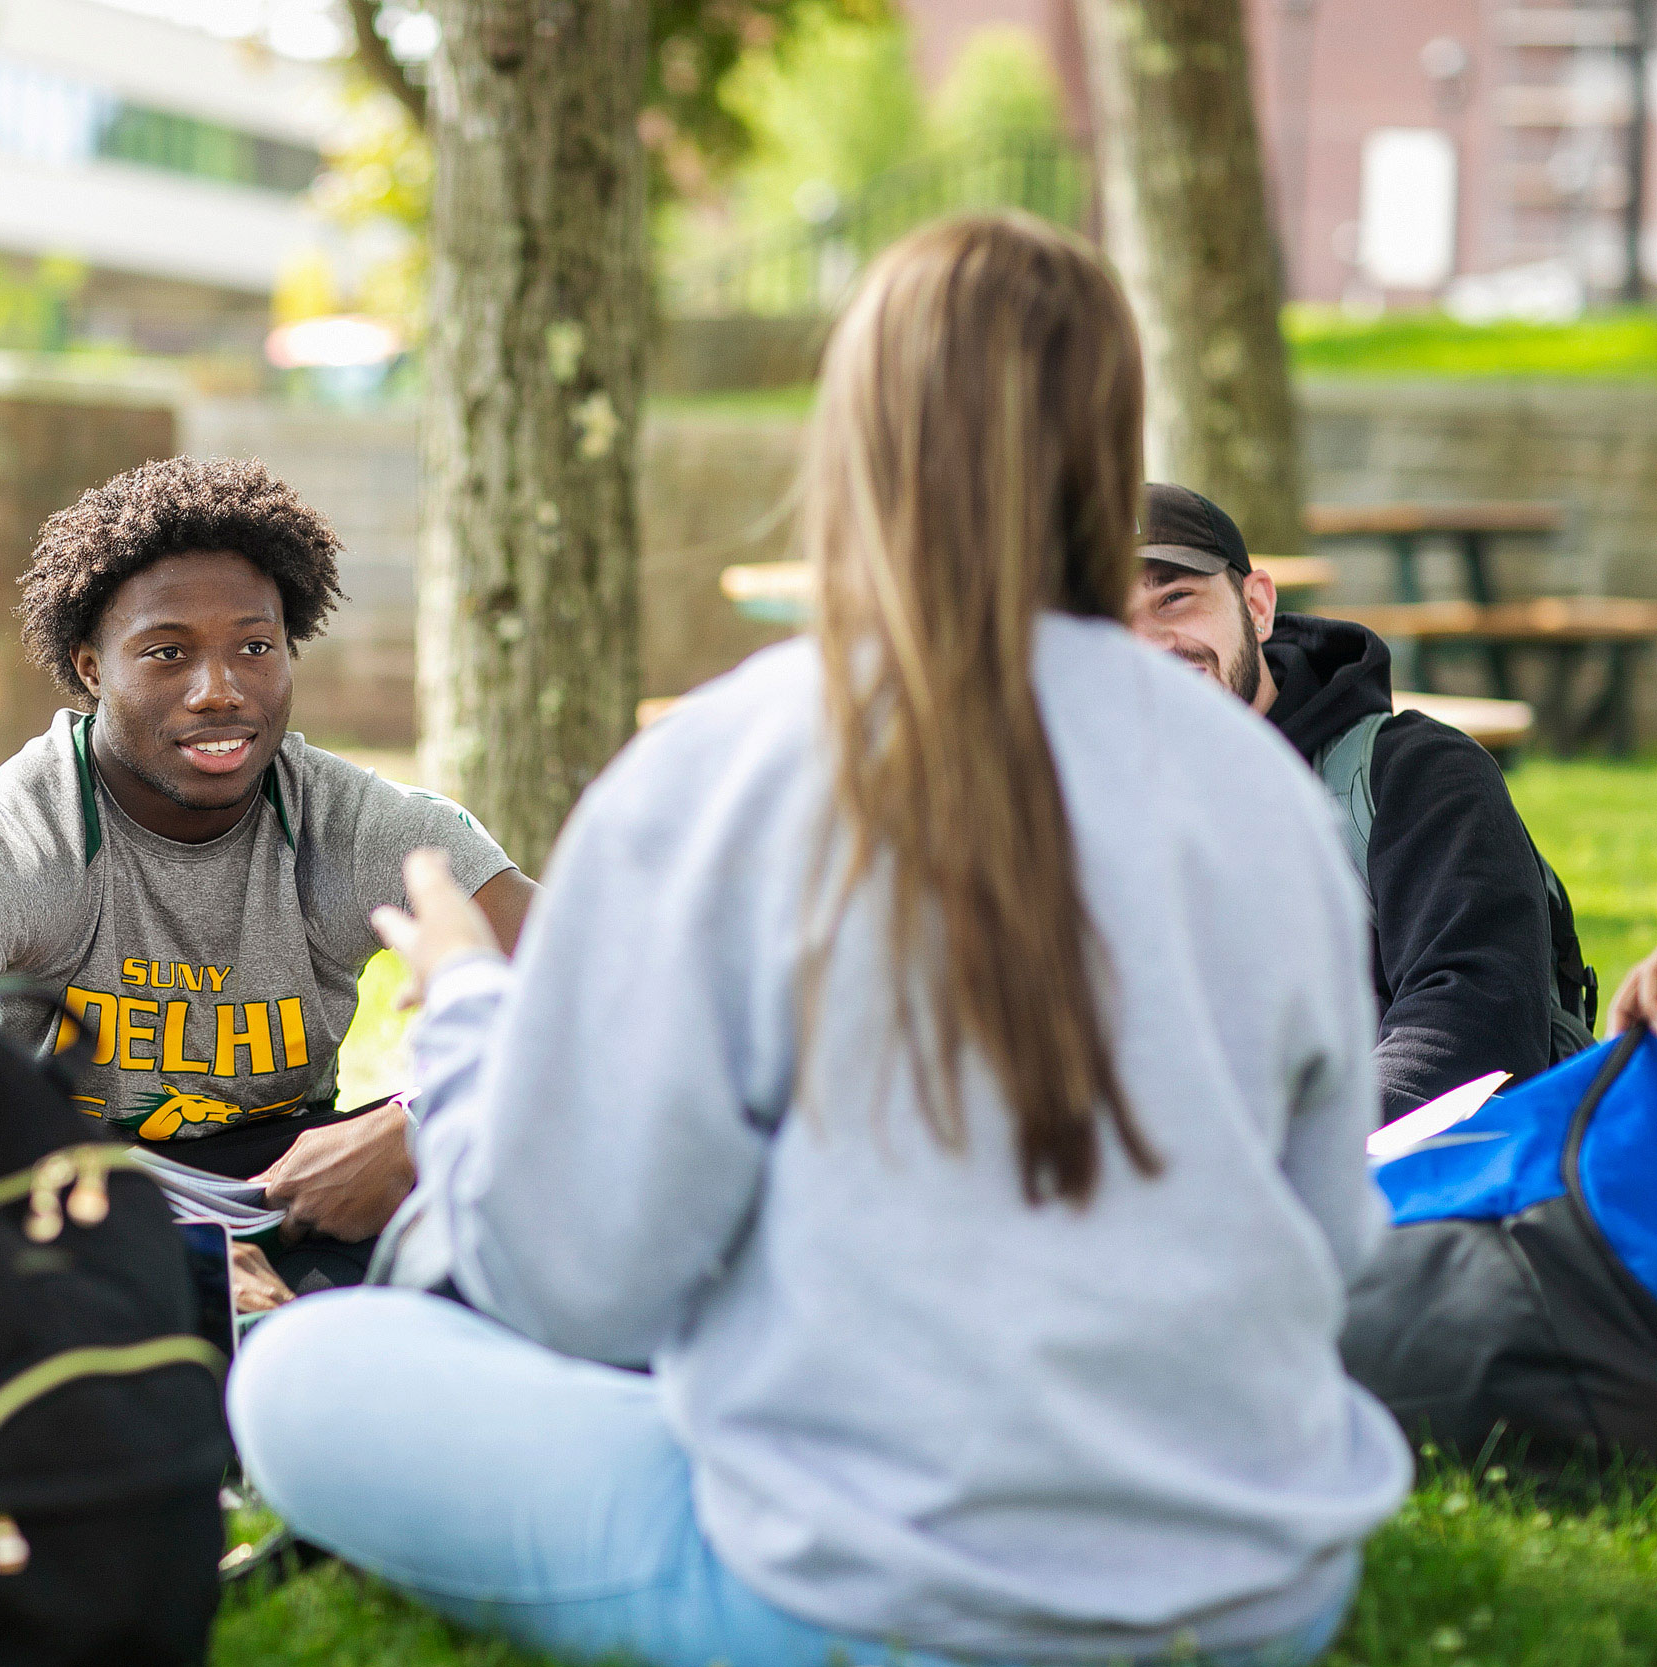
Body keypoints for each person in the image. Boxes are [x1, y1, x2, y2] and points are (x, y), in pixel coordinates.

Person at [226, 212, 1410, 1667]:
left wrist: (471, 1007)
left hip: (872, 1597)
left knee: (306, 1371)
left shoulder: (730, 762)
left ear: (854, 440)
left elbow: (575, 1274)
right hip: (1259, 1590)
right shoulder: (1262, 784)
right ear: (1113, 449)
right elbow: (1334, 1233)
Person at [0, 455, 533, 1309]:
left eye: (254, 647)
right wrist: (162, 1253)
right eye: (167, 652)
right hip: (69, 1205)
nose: (220, 690)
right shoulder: (5, 839)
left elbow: (609, 993)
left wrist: (418, 1124)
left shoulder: (362, 825)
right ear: (93, 666)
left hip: (299, 1194)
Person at [1127, 481, 1592, 1119]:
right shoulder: (1076, 825)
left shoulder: (1414, 777)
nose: (1149, 644)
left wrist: (1290, 1166)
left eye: (1174, 598)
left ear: (1257, 605)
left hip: (1394, 1194)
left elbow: (1470, 1027)